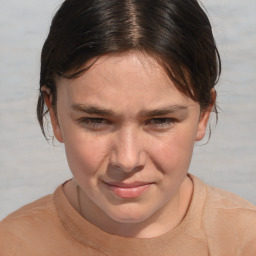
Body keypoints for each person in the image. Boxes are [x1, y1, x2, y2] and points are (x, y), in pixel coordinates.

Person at [0, 0, 255, 255]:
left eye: (160, 120)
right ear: (54, 113)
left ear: (203, 115)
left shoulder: (246, 240)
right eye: (96, 121)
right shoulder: (11, 244)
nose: (127, 159)